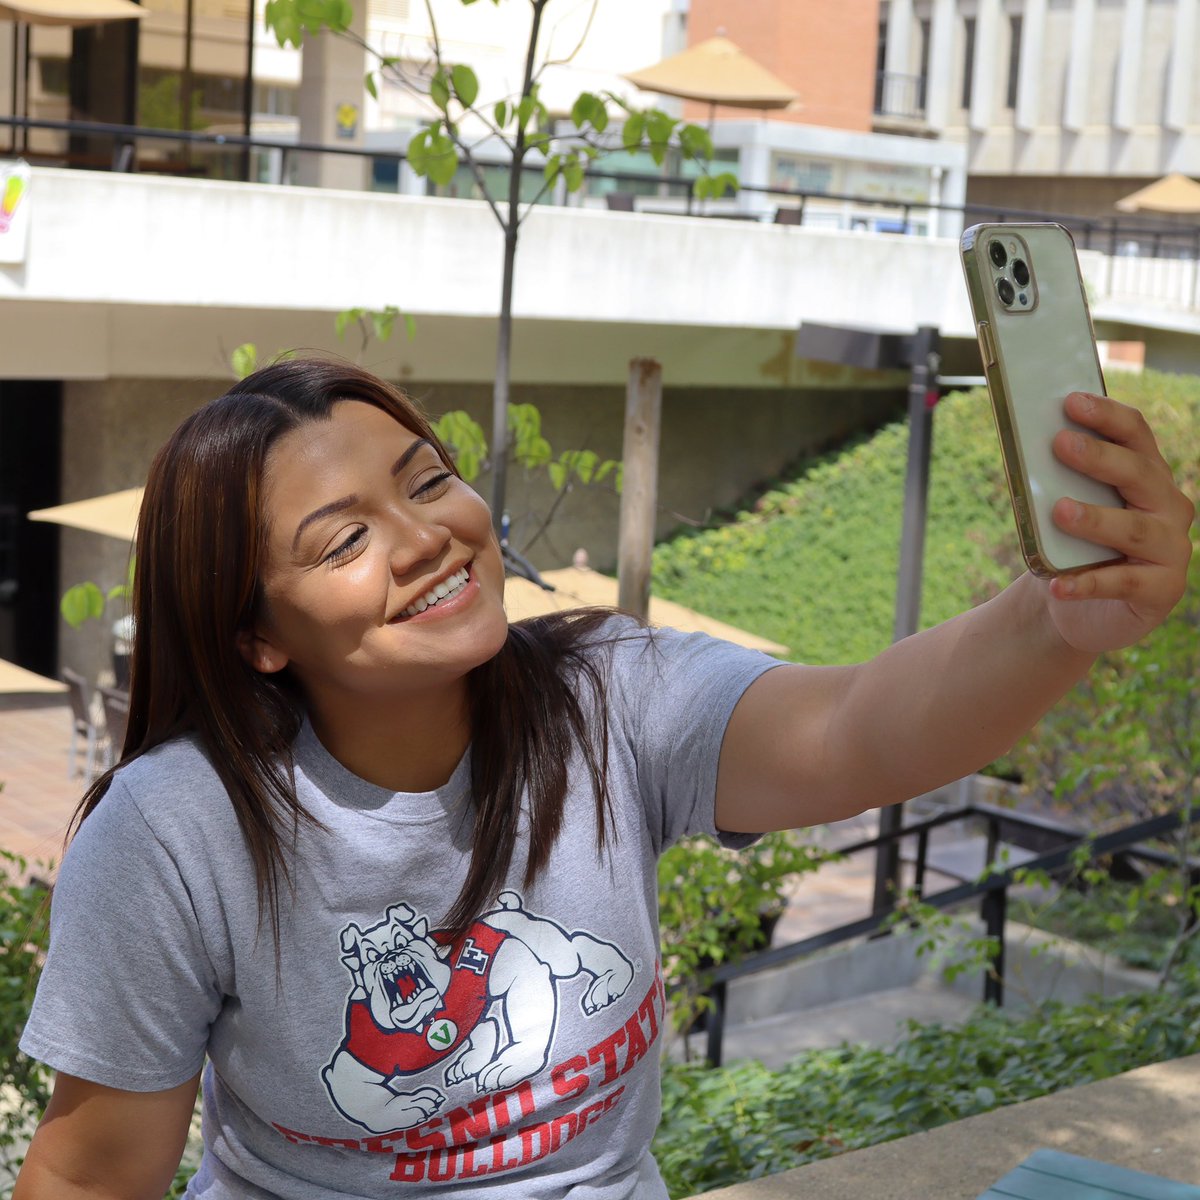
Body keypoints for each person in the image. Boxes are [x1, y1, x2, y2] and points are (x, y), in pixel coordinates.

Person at [15, 358, 1193, 1199]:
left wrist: (1061, 616)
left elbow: (859, 726)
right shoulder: (176, 833)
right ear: (254, 635)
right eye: (343, 538)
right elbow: (93, 1170)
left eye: (427, 483)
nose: (428, 537)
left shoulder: (608, 696)